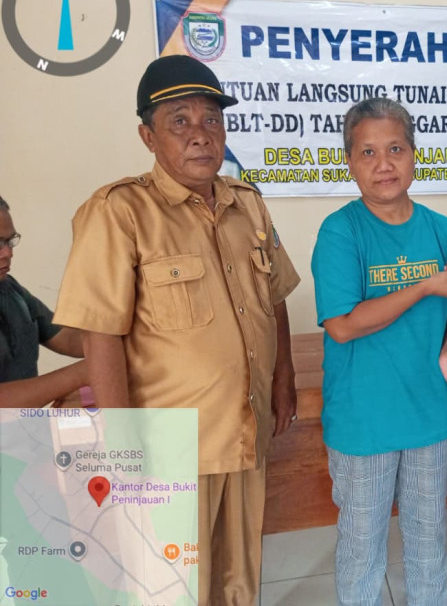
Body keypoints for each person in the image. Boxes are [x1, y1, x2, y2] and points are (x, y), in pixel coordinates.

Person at [53, 55, 300, 605]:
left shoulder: (248, 205)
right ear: (148, 136)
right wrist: (120, 447)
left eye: (211, 119)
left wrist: (283, 379)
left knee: (238, 578)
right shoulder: (120, 211)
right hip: (169, 447)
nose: (200, 135)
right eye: (179, 121)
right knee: (173, 585)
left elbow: (275, 298)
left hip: (244, 428)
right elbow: (100, 334)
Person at [311, 97, 447, 606]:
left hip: (432, 414)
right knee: (363, 547)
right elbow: (343, 326)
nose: (383, 164)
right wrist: (424, 286)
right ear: (349, 162)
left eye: (396, 149)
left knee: (429, 540)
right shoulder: (340, 231)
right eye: (368, 152)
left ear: (414, 155)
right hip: (364, 421)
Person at [0, 195, 87, 406]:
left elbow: (68, 339)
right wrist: (84, 374)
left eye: (10, 241)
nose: (8, 253)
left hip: (25, 425)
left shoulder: (10, 290)